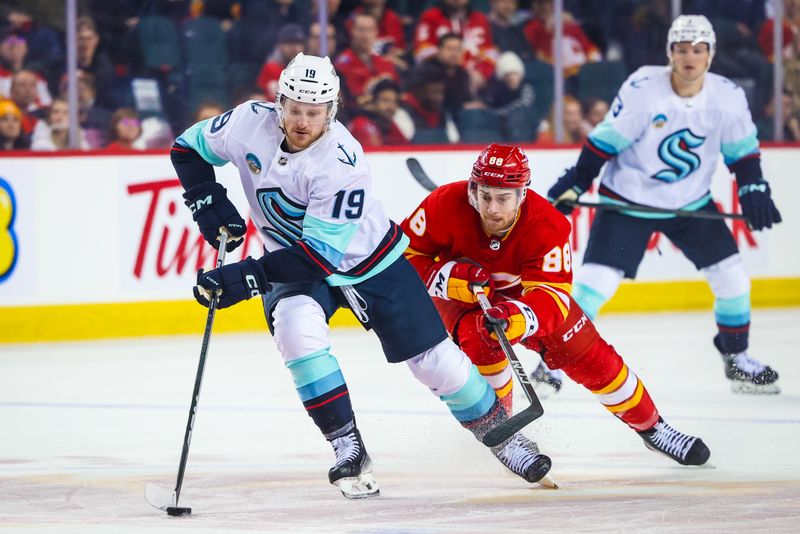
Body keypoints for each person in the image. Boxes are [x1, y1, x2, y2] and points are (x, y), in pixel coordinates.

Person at [169, 53, 553, 499]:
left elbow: (318, 258)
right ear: (279, 102)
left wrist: (247, 277)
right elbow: (186, 148)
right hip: (293, 262)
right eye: (293, 108)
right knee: (296, 332)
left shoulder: (342, 162)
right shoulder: (246, 123)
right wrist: (205, 198)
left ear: (331, 111)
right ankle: (347, 446)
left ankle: (505, 437)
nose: (301, 122)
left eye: (313, 113)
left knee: (435, 362)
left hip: (370, 263)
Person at [400, 143, 710, 467]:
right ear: (473, 188)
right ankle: (504, 436)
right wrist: (446, 276)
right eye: (485, 195)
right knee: (481, 338)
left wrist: (516, 317)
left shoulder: (547, 225)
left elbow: (552, 297)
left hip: (526, 302)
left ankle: (654, 428)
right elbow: (405, 259)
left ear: (522, 194)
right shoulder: (443, 204)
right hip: (464, 297)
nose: (491, 208)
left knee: (593, 358)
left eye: (503, 198)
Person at [547, 15, 782, 394]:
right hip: (628, 201)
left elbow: (741, 152)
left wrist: (753, 186)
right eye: (682, 49)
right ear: (670, 53)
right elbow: (605, 141)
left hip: (690, 204)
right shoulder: (644, 89)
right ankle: (554, 362)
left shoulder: (727, 96)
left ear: (710, 55)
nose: (690, 57)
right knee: (595, 286)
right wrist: (578, 179)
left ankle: (736, 358)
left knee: (733, 279)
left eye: (699, 50)